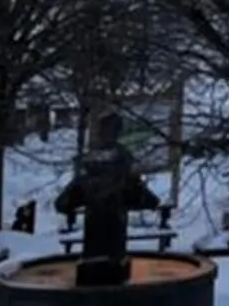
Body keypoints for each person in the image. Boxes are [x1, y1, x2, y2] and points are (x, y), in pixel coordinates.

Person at [54, 113, 161, 272]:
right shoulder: (123, 178)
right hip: (115, 258)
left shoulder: (88, 178)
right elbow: (148, 200)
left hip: (91, 259)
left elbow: (62, 203)